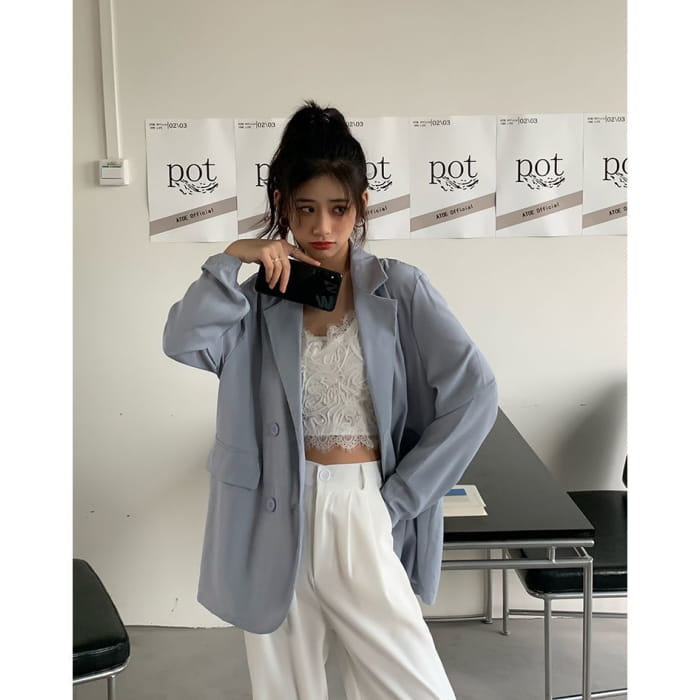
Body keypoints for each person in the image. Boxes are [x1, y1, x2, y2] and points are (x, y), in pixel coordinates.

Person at [163, 101, 498, 700]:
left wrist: (399, 499)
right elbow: (183, 342)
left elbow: (477, 394)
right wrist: (229, 261)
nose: (322, 227)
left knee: (411, 686)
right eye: (306, 208)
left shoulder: (400, 289)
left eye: (338, 208)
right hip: (272, 510)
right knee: (285, 688)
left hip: (360, 507)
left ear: (361, 205)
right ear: (282, 206)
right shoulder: (256, 300)